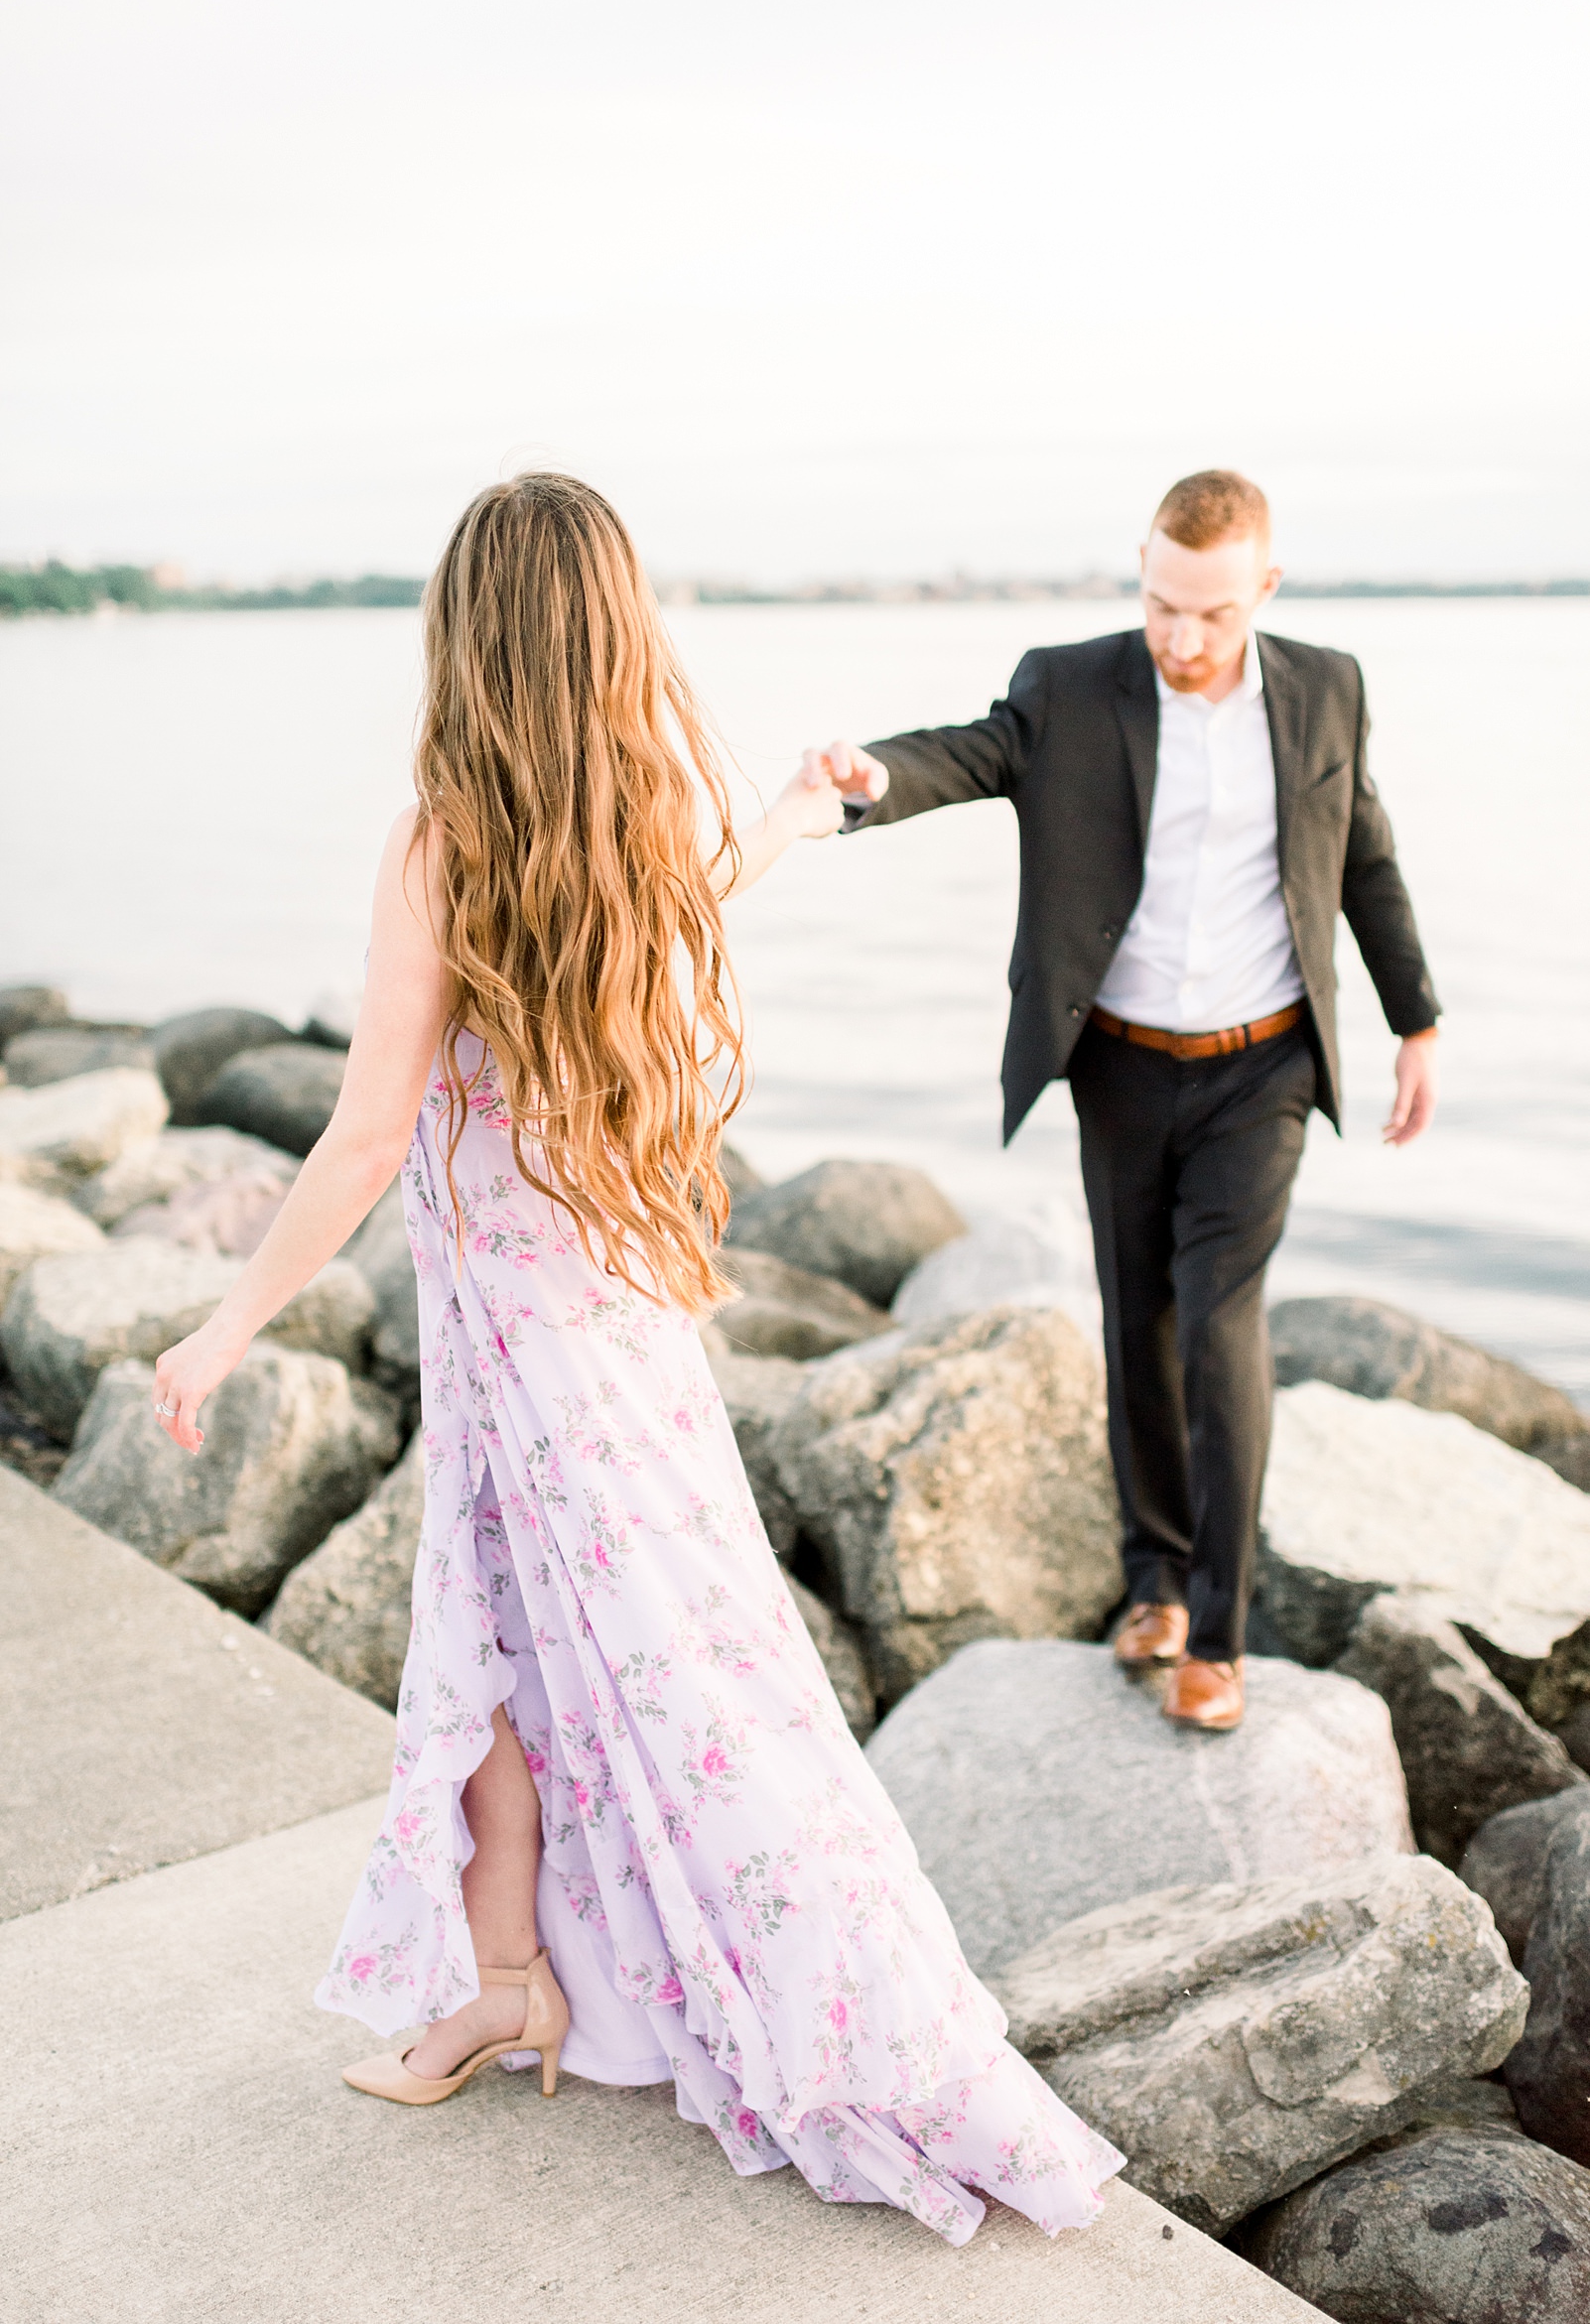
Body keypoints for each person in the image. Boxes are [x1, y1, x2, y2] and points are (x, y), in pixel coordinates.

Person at [150, 472, 1124, 2247]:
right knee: (538, 1645)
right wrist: (801, 812)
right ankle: (511, 1980)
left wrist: (222, 1325)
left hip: (535, 1350)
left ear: (467, 632)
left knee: (623, 1672)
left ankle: (835, 2019)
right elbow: (713, 875)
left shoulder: (443, 835)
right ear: (610, 628)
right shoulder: (639, 801)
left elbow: (368, 1133)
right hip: (614, 1335)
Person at [813, 469, 1439, 1734]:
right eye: (1162, 603)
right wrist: (868, 776)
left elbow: (1362, 848)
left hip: (1263, 1066)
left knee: (1219, 1327)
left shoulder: (1328, 689)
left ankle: (1218, 1631)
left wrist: (1414, 1017)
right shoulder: (1071, 681)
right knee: (1135, 1319)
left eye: (1211, 613)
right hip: (1120, 1062)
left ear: (1263, 589)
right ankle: (1151, 1579)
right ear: (1143, 573)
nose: (1182, 638)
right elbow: (974, 754)